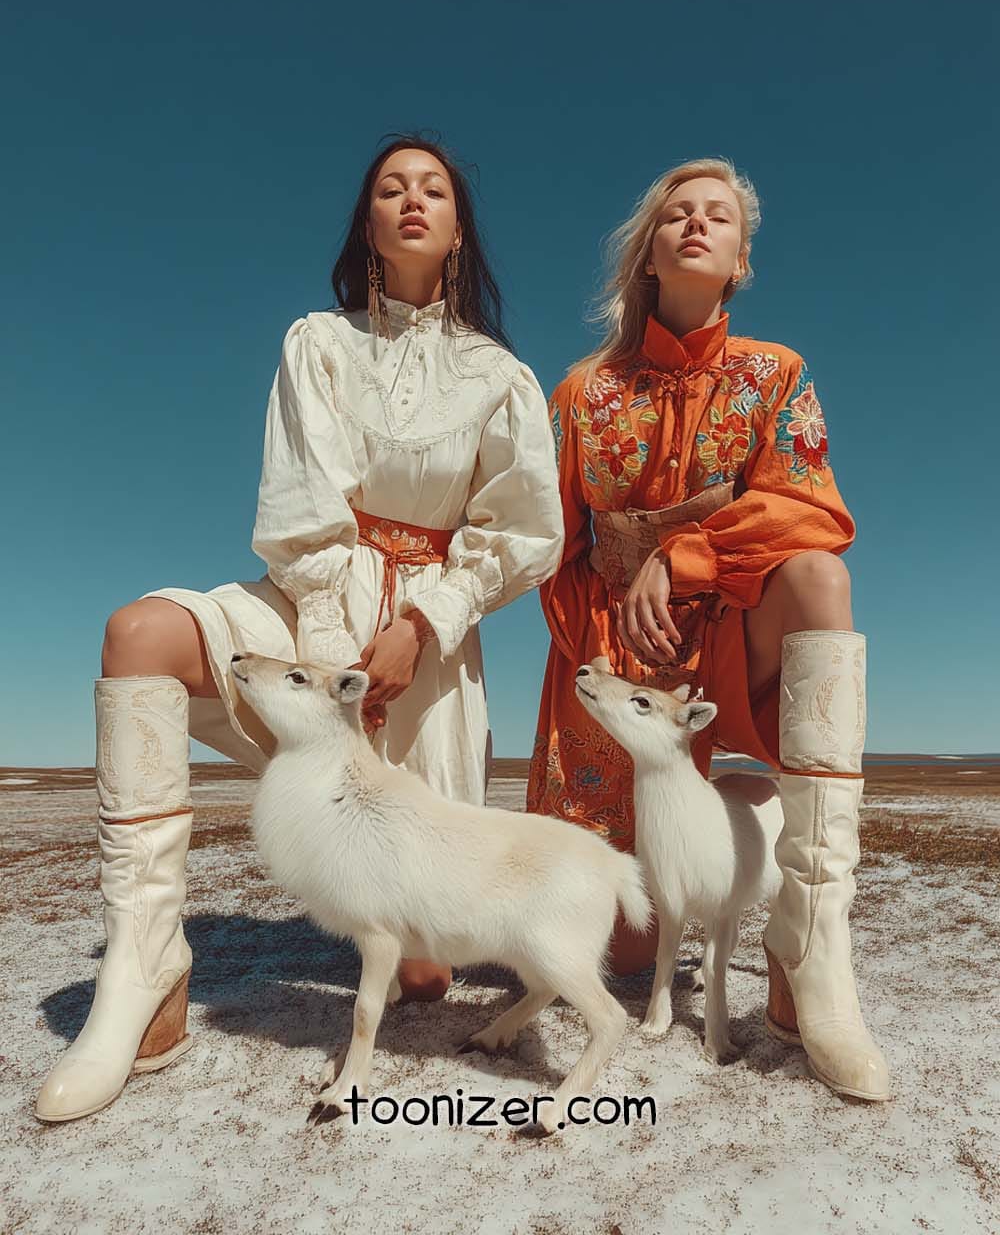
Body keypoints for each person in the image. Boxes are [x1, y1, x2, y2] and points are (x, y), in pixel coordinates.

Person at [36, 136, 564, 1123]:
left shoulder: (501, 376)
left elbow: (523, 530)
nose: (411, 199)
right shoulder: (314, 344)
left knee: (422, 970)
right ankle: (146, 966)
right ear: (366, 225)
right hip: (309, 613)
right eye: (389, 188)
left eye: (434, 189)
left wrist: (420, 621)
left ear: (456, 231)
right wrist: (331, 670)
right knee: (137, 631)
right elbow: (297, 509)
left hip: (431, 652)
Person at [528, 158, 890, 1101]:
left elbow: (811, 511)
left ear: (738, 261)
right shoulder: (580, 395)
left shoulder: (778, 377)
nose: (696, 225)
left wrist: (686, 555)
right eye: (676, 215)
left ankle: (811, 941)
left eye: (717, 217)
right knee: (619, 937)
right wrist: (600, 655)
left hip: (733, 635)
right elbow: (553, 550)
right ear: (649, 253)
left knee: (820, 578)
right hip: (618, 660)